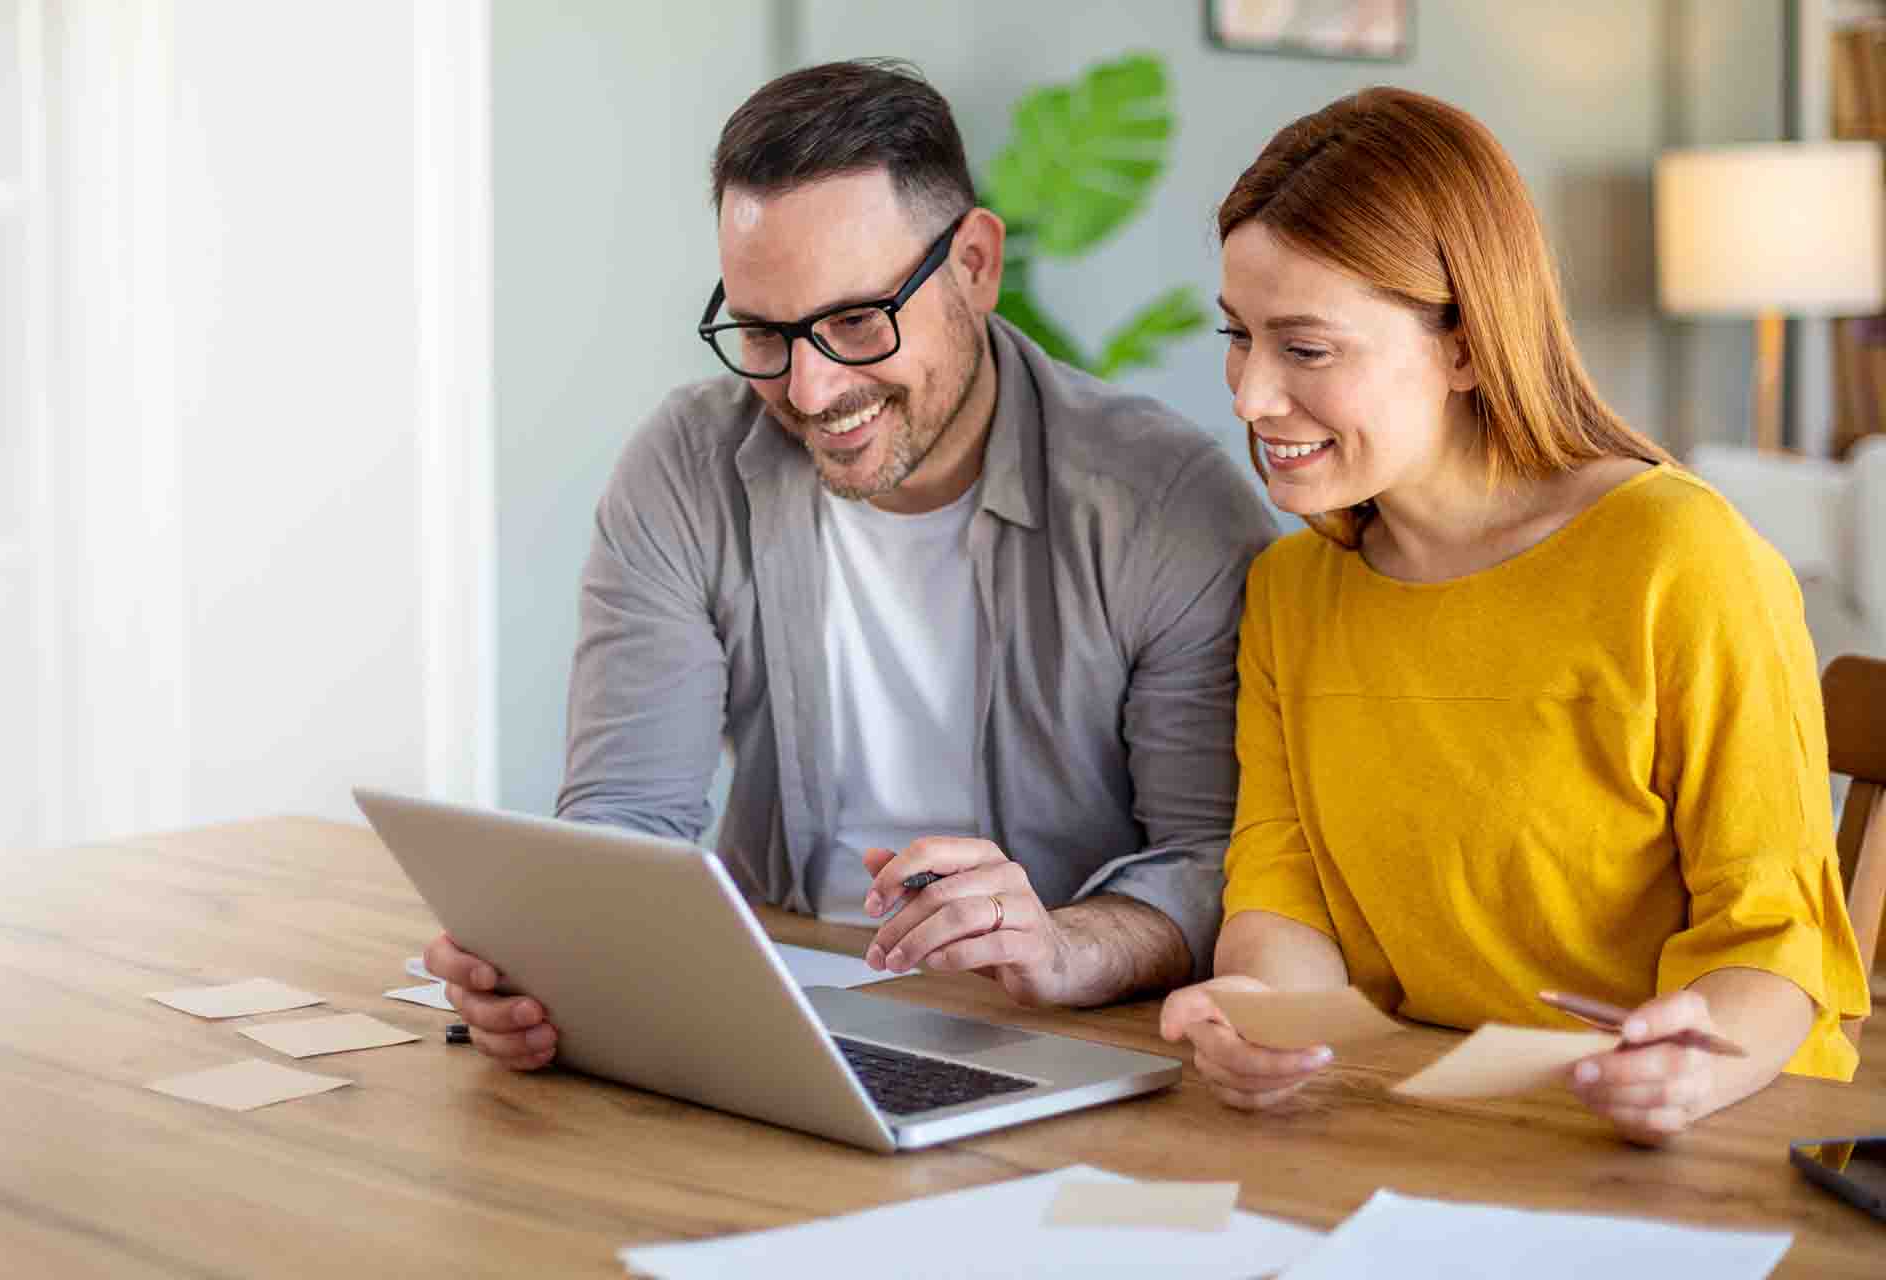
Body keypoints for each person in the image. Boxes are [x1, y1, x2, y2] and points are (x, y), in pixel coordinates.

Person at [426, 59, 1278, 1071]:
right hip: (777, 1011)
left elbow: (1214, 859)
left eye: (855, 322)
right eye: (763, 332)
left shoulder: (1164, 507)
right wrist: (556, 951)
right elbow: (629, 813)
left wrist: (1064, 943)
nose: (811, 385)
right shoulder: (688, 469)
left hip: (1061, 1039)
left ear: (974, 263)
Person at [1157, 87, 1872, 1143]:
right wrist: (1265, 1017)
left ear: (1463, 345)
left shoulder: (1681, 560)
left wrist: (1689, 1061)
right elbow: (1284, 893)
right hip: (1410, 1120)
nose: (1249, 395)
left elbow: (1774, 938)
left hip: (1700, 1135)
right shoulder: (1291, 589)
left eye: (1305, 348)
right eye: (1238, 335)